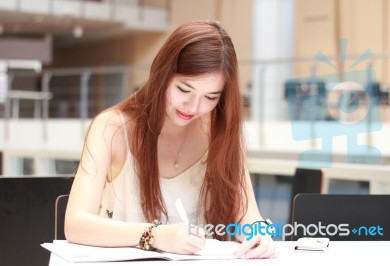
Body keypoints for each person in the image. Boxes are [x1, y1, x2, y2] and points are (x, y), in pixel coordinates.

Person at [65, 20, 278, 259]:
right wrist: (155, 235)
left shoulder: (221, 131)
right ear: (162, 75)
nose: (194, 106)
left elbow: (248, 216)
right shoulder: (112, 128)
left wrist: (261, 234)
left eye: (210, 96)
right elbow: (75, 224)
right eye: (184, 90)